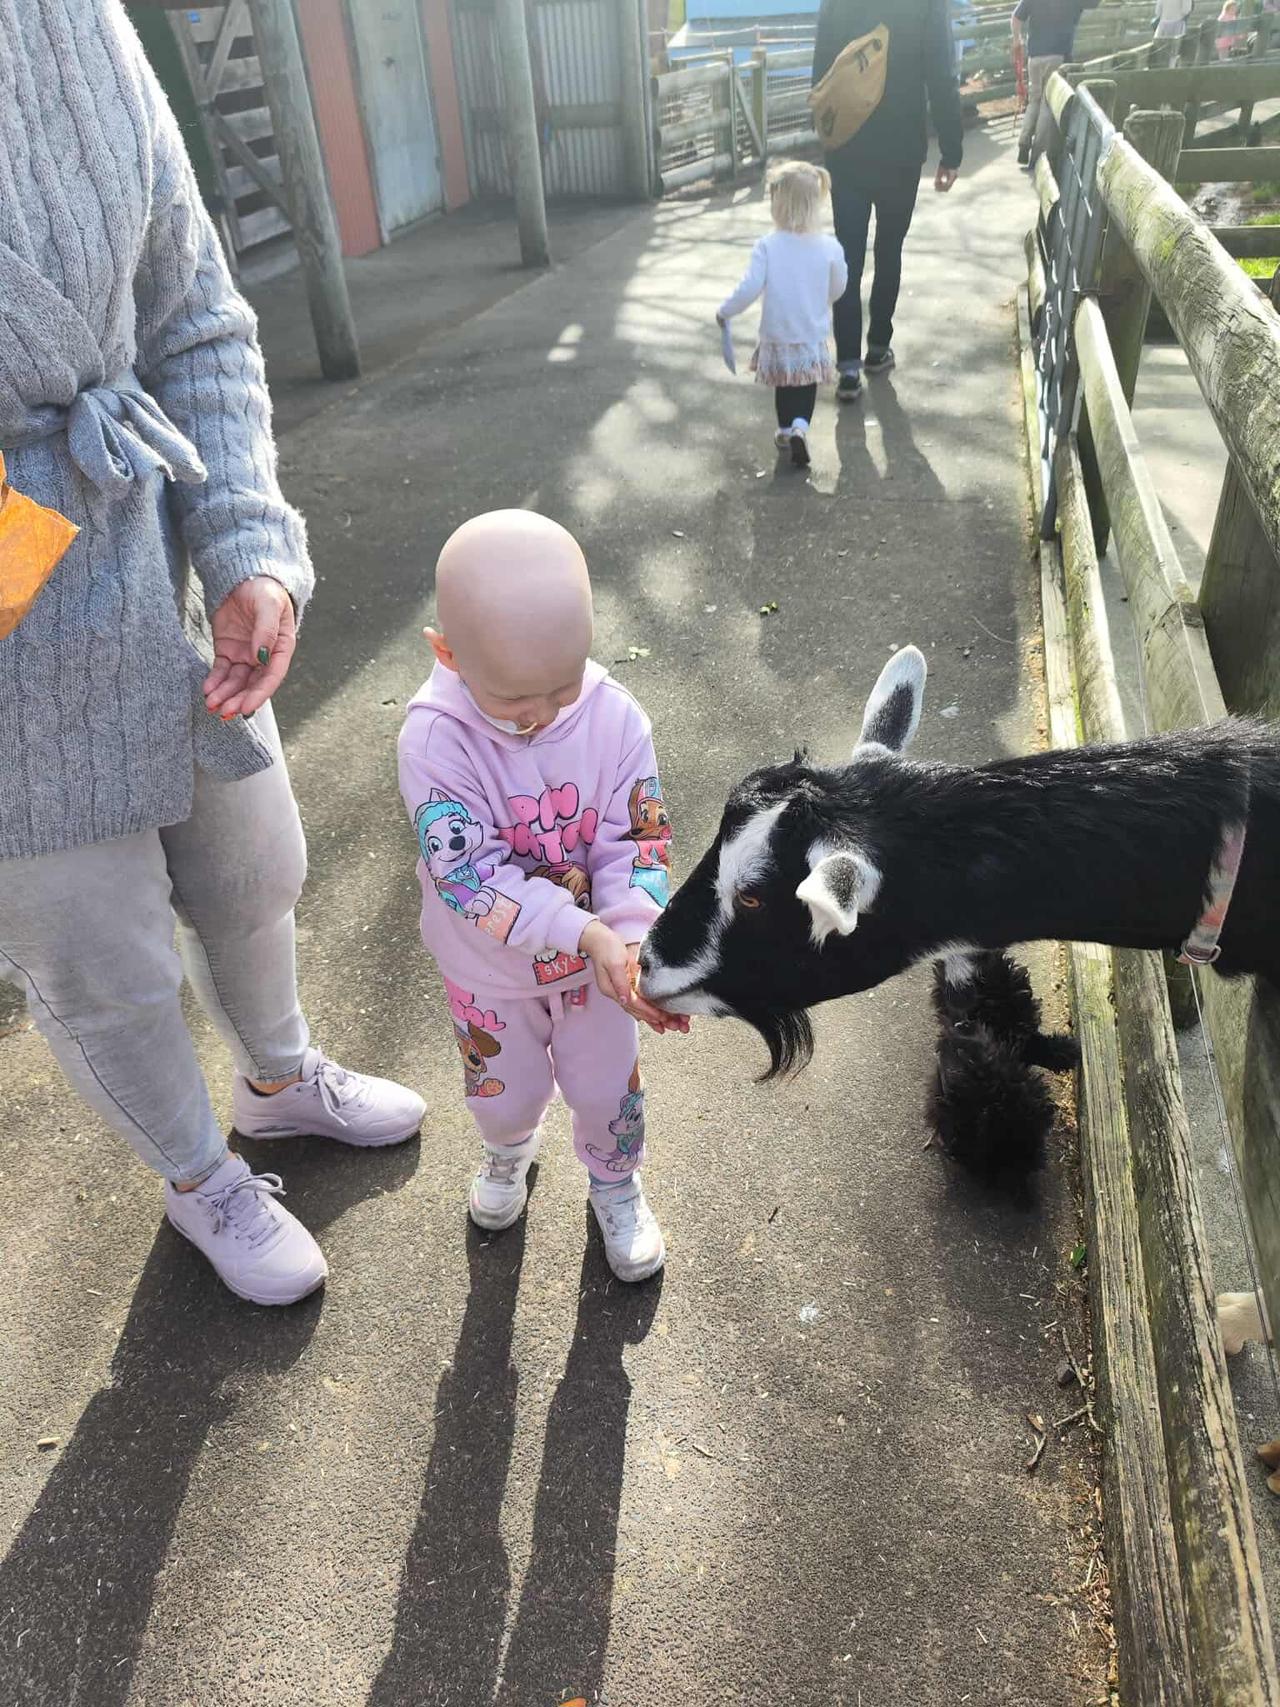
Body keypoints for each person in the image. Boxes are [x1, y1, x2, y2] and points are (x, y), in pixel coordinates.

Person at [0, 0, 426, 1308]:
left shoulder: (75, 21)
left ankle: (279, 1079)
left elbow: (191, 310)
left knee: (254, 865)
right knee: (101, 957)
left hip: (143, 546)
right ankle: (198, 1177)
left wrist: (244, 543)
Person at [398, 511, 687, 1284]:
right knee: (502, 1090)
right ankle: (507, 1149)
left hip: (596, 969)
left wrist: (631, 937)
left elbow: (638, 839)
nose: (545, 715)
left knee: (607, 1088)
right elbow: (469, 876)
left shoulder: (615, 716)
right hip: (489, 972)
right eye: (516, 699)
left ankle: (616, 1179)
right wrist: (582, 930)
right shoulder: (434, 740)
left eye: (564, 686)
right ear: (448, 654)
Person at [811, 0, 963, 401]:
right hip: (901, 149)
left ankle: (847, 368)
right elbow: (942, 75)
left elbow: (822, 70)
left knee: (848, 256)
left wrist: (826, 135)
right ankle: (878, 347)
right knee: (889, 248)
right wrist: (951, 151)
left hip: (847, 148)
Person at [715, 161, 849, 469]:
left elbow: (749, 287)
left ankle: (786, 429)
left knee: (784, 384)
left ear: (778, 204)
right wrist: (821, 301)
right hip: (810, 331)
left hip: (777, 333)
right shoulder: (829, 246)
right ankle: (801, 426)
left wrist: (725, 311)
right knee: (805, 383)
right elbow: (840, 286)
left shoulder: (768, 246)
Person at [1012, 0, 1100, 165]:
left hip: (1034, 57)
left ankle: (1024, 141)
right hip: (1057, 55)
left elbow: (1016, 17)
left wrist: (1017, 39)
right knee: (1048, 103)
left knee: (1034, 100)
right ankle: (1038, 155)